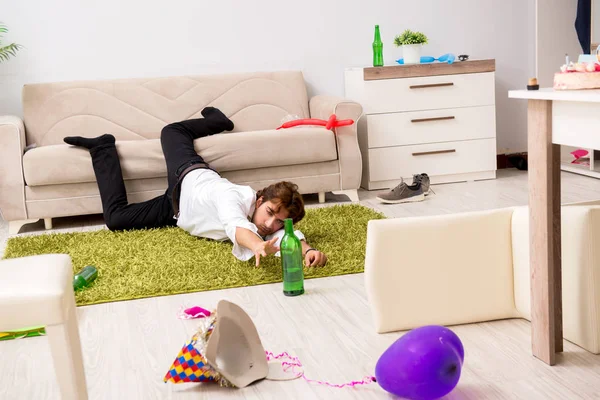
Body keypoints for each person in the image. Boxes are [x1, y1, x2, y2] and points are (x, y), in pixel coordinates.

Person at [63, 107, 328, 267]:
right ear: (259, 201)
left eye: (279, 221)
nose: (271, 224)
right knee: (172, 131)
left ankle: (102, 147)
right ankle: (218, 121)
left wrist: (310, 252)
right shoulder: (232, 198)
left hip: (176, 210)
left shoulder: (272, 228)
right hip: (188, 176)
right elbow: (237, 226)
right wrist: (258, 246)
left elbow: (288, 237)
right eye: (270, 212)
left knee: (115, 219)